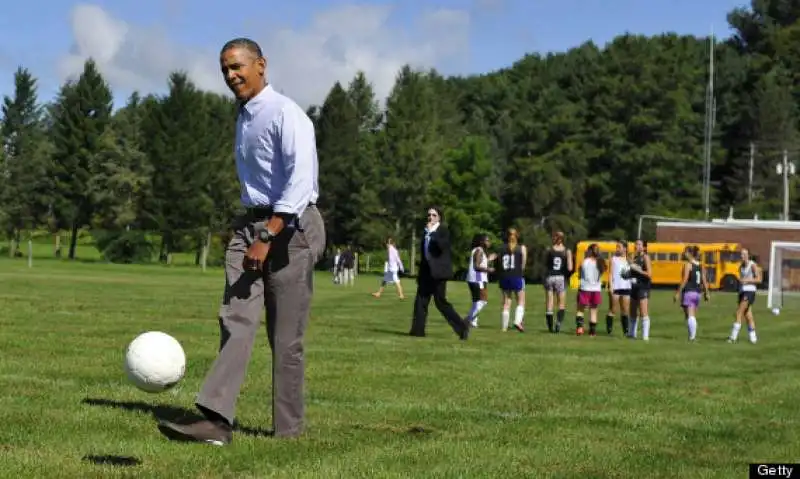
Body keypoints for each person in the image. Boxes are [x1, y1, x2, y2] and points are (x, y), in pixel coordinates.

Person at [158, 38, 325, 445]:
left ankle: (288, 432)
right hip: (251, 225)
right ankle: (216, 421)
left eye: (237, 67)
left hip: (292, 228)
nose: (231, 76)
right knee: (235, 318)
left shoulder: (287, 114)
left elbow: (300, 183)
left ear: (261, 65)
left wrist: (268, 233)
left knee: (285, 338)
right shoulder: (245, 116)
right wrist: (251, 230)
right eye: (225, 70)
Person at [409, 206, 471, 340]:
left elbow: (442, 247)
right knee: (420, 302)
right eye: (429, 215)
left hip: (438, 274)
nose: (430, 217)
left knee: (441, 303)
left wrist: (432, 232)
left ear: (439, 218)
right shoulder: (426, 232)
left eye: (433, 215)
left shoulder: (443, 231)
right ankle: (417, 331)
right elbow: (425, 255)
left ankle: (462, 328)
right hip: (426, 273)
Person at [674, 245, 710, 342]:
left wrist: (678, 292)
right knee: (691, 315)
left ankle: (692, 337)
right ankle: (691, 336)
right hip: (698, 293)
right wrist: (706, 292)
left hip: (689, 292)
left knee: (690, 316)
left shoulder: (688, 265)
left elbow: (685, 279)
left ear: (690, 253)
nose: (683, 254)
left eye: (685, 252)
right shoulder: (700, 265)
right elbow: (704, 279)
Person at [728, 247, 761, 344]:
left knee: (739, 312)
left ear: (748, 255)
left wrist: (747, 280)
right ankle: (753, 339)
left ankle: (732, 337)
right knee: (748, 315)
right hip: (742, 292)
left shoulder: (752, 265)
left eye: (744, 254)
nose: (742, 256)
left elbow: (759, 279)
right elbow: (741, 279)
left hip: (750, 292)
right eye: (741, 254)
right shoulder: (741, 266)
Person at [496, 227, 527, 332]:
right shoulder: (521, 248)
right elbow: (523, 265)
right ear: (517, 236)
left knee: (506, 301)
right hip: (516, 275)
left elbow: (498, 263)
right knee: (521, 300)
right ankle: (517, 321)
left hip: (504, 276)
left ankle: (504, 327)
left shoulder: (501, 248)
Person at [544, 231, 572, 333]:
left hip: (550, 277)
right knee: (561, 303)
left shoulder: (549, 250)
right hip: (560, 277)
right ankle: (558, 323)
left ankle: (550, 327)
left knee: (549, 302)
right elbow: (570, 268)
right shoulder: (567, 251)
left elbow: (546, 264)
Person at [465, 233, 495, 328]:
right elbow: (477, 266)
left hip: (473, 278)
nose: (489, 242)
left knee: (476, 301)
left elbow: (481, 262)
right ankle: (468, 319)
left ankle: (473, 322)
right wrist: (489, 270)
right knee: (483, 301)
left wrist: (488, 260)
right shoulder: (479, 250)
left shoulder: (477, 250)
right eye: (487, 240)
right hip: (478, 279)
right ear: (481, 242)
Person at [576, 243, 605, 336]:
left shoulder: (585, 261)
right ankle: (592, 332)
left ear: (590, 251)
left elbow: (580, 274)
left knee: (580, 309)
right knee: (593, 310)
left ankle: (580, 328)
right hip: (596, 289)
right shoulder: (601, 263)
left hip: (585, 288)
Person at [605, 240, 632, 336]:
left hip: (626, 287)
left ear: (625, 248)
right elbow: (610, 273)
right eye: (617, 247)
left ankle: (626, 331)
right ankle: (609, 330)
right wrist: (610, 286)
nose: (617, 249)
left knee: (625, 310)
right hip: (616, 287)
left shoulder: (629, 259)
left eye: (619, 247)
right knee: (613, 309)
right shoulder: (613, 259)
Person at [628, 239, 653, 340]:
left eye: (639, 244)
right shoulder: (634, 257)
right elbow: (632, 272)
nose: (636, 246)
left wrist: (636, 269)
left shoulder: (645, 257)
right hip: (634, 286)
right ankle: (631, 334)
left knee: (643, 312)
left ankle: (645, 336)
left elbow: (649, 274)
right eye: (635, 244)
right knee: (632, 311)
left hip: (643, 286)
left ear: (644, 247)